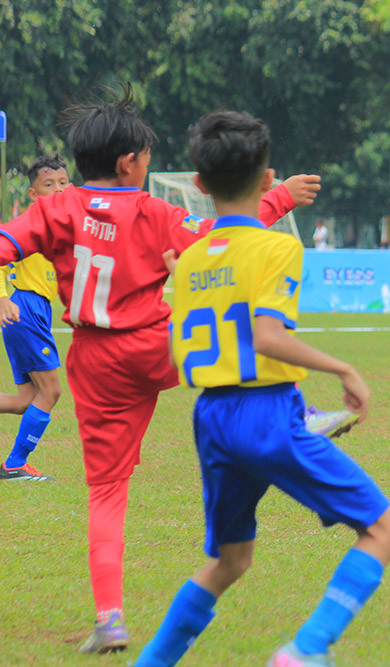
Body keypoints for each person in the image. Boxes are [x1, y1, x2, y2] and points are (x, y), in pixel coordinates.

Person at [0, 86, 321, 654]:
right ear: (129, 162)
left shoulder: (56, 208)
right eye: (148, 156)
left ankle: (111, 619)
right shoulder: (154, 212)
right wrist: (278, 199)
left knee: (106, 492)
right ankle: (300, 414)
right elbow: (223, 239)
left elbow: (7, 244)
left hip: (96, 364)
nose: (150, 165)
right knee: (236, 330)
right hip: (159, 345)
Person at [134, 110, 390, 667]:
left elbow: (176, 356)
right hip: (267, 415)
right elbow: (266, 337)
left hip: (211, 418)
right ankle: (307, 649)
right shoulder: (277, 248)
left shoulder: (187, 262)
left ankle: (151, 662)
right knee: (382, 528)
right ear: (268, 180)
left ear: (199, 187)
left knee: (229, 561)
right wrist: (343, 368)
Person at [0, 155, 70, 481]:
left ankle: (15, 464)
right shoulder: (31, 223)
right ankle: (15, 464)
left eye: (62, 182)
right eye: (48, 184)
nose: (57, 190)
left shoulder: (63, 224)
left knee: (25, 400)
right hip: (24, 308)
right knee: (51, 391)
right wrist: (2, 299)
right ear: (32, 193)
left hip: (36, 310)